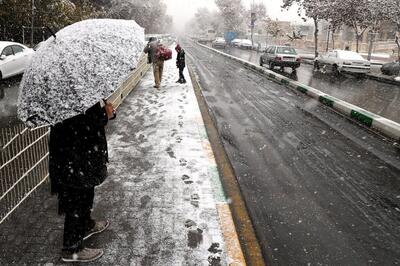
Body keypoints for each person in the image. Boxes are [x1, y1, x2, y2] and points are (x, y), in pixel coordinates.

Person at [49, 100, 115, 263]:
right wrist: (105, 115)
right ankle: (71, 248)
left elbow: (87, 119)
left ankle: (85, 224)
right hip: (74, 158)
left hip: (81, 156)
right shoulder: (65, 99)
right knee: (75, 199)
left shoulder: (76, 93)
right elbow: (82, 125)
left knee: (85, 192)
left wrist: (103, 113)